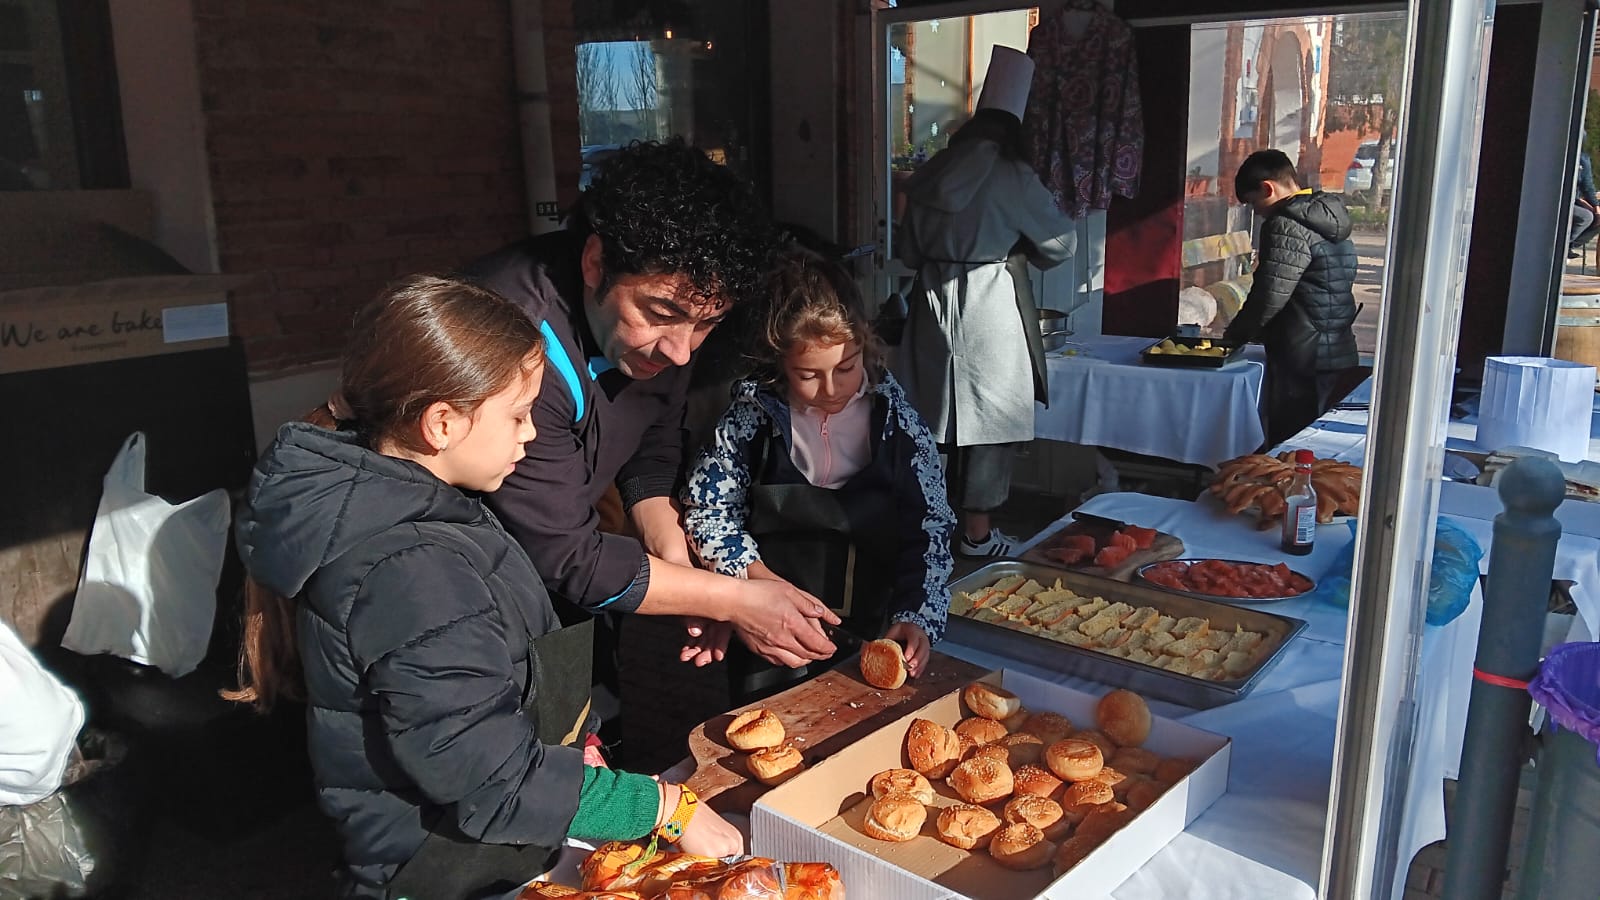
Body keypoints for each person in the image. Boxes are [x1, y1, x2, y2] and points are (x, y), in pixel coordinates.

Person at [228, 276, 742, 900]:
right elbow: (489, 779)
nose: (531, 434)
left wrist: (573, 751)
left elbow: (482, 695)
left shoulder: (428, 510)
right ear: (441, 423)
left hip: (488, 845)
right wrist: (666, 809)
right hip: (447, 870)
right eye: (518, 414)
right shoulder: (411, 568)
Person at [462, 139, 841, 711]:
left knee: (589, 723)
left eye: (707, 323)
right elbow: (569, 556)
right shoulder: (508, 337)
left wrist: (681, 570)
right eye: (662, 314)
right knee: (526, 765)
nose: (682, 352)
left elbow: (653, 446)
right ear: (595, 263)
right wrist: (728, 600)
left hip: (564, 588)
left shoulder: (658, 342)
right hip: (468, 598)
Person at [680, 249, 956, 700]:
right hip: (767, 638)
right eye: (807, 375)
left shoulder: (896, 422)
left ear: (865, 343)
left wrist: (918, 614)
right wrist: (750, 579)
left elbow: (929, 525)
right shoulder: (752, 420)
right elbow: (709, 511)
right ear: (779, 362)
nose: (831, 390)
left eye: (846, 368)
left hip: (874, 629)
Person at [894, 46, 1078, 558]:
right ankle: (976, 536)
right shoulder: (1012, 176)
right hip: (990, 306)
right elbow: (1062, 248)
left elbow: (908, 251)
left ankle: (923, 532)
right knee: (990, 424)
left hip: (932, 305)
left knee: (926, 421)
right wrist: (1015, 243)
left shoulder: (931, 173)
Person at [1224, 149, 1360, 447]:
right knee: (1316, 444)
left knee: (1290, 448)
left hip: (1302, 353)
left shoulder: (1286, 223)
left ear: (1268, 188)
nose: (1256, 212)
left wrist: (1232, 338)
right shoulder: (1328, 216)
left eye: (1254, 202)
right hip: (1335, 347)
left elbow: (1270, 294)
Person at [1571, 151, 1598, 259]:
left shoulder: (1582, 158)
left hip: (1575, 200)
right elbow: (1587, 186)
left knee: (1596, 217)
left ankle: (1571, 245)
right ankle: (1565, 245)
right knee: (1586, 216)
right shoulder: (1581, 159)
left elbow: (1587, 187)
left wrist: (1595, 206)